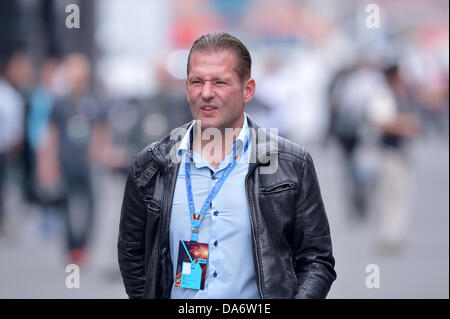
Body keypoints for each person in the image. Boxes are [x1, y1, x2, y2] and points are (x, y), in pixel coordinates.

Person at [118, 32, 336, 299]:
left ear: (248, 89)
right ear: (187, 87)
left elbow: (316, 259)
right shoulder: (151, 166)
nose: (206, 93)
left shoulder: (289, 164)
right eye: (197, 81)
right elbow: (133, 254)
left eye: (220, 82)